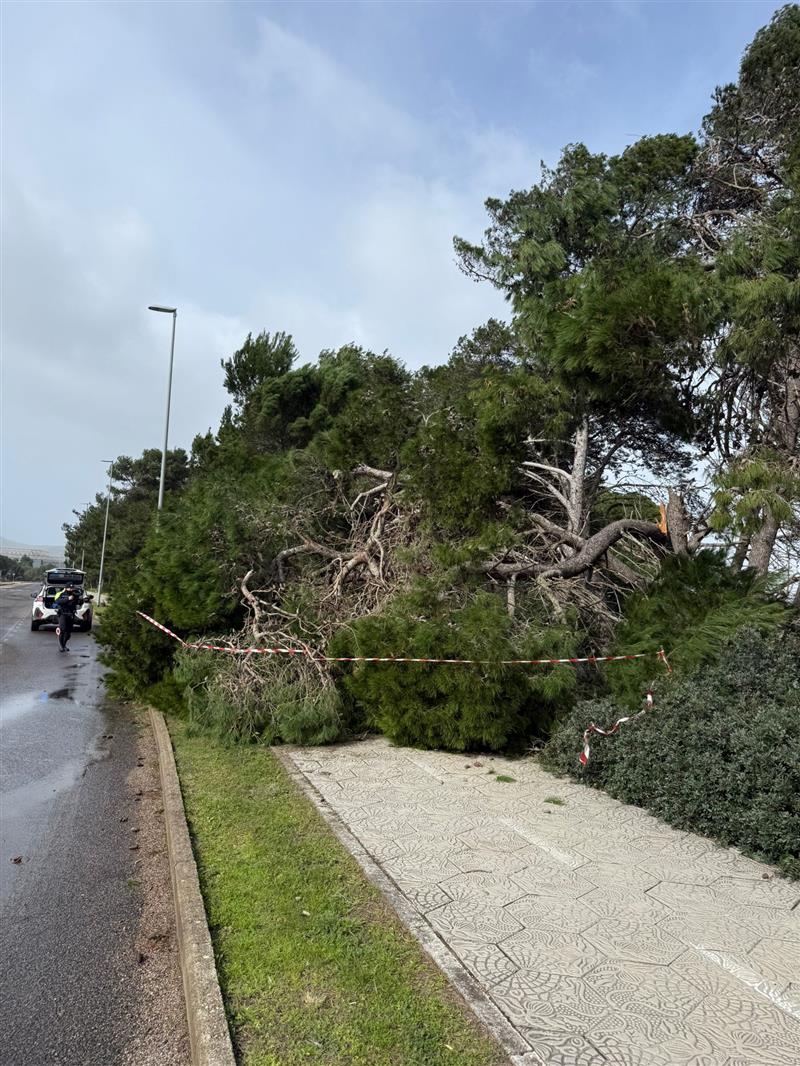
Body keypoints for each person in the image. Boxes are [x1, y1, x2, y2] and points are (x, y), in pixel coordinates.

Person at [54, 585, 81, 652]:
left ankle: (64, 645)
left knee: (68, 633)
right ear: (66, 588)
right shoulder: (61, 594)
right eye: (70, 588)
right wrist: (68, 599)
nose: (71, 589)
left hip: (71, 615)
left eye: (72, 588)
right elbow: (58, 601)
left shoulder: (74, 595)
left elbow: (78, 600)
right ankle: (61, 646)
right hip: (62, 614)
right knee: (62, 630)